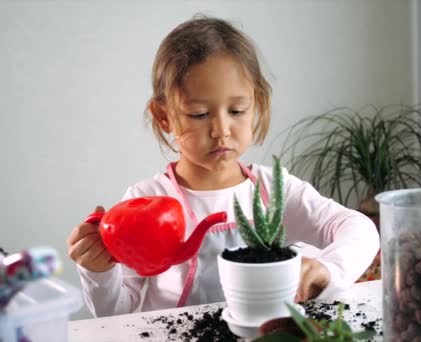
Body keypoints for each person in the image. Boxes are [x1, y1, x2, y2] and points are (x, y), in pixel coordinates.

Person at [67, 15, 380, 318]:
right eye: (200, 114)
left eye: (237, 110)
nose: (221, 129)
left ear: (256, 104)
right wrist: (99, 271)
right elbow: (117, 313)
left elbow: (360, 230)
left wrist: (328, 268)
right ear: (164, 117)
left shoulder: (273, 192)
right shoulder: (145, 198)